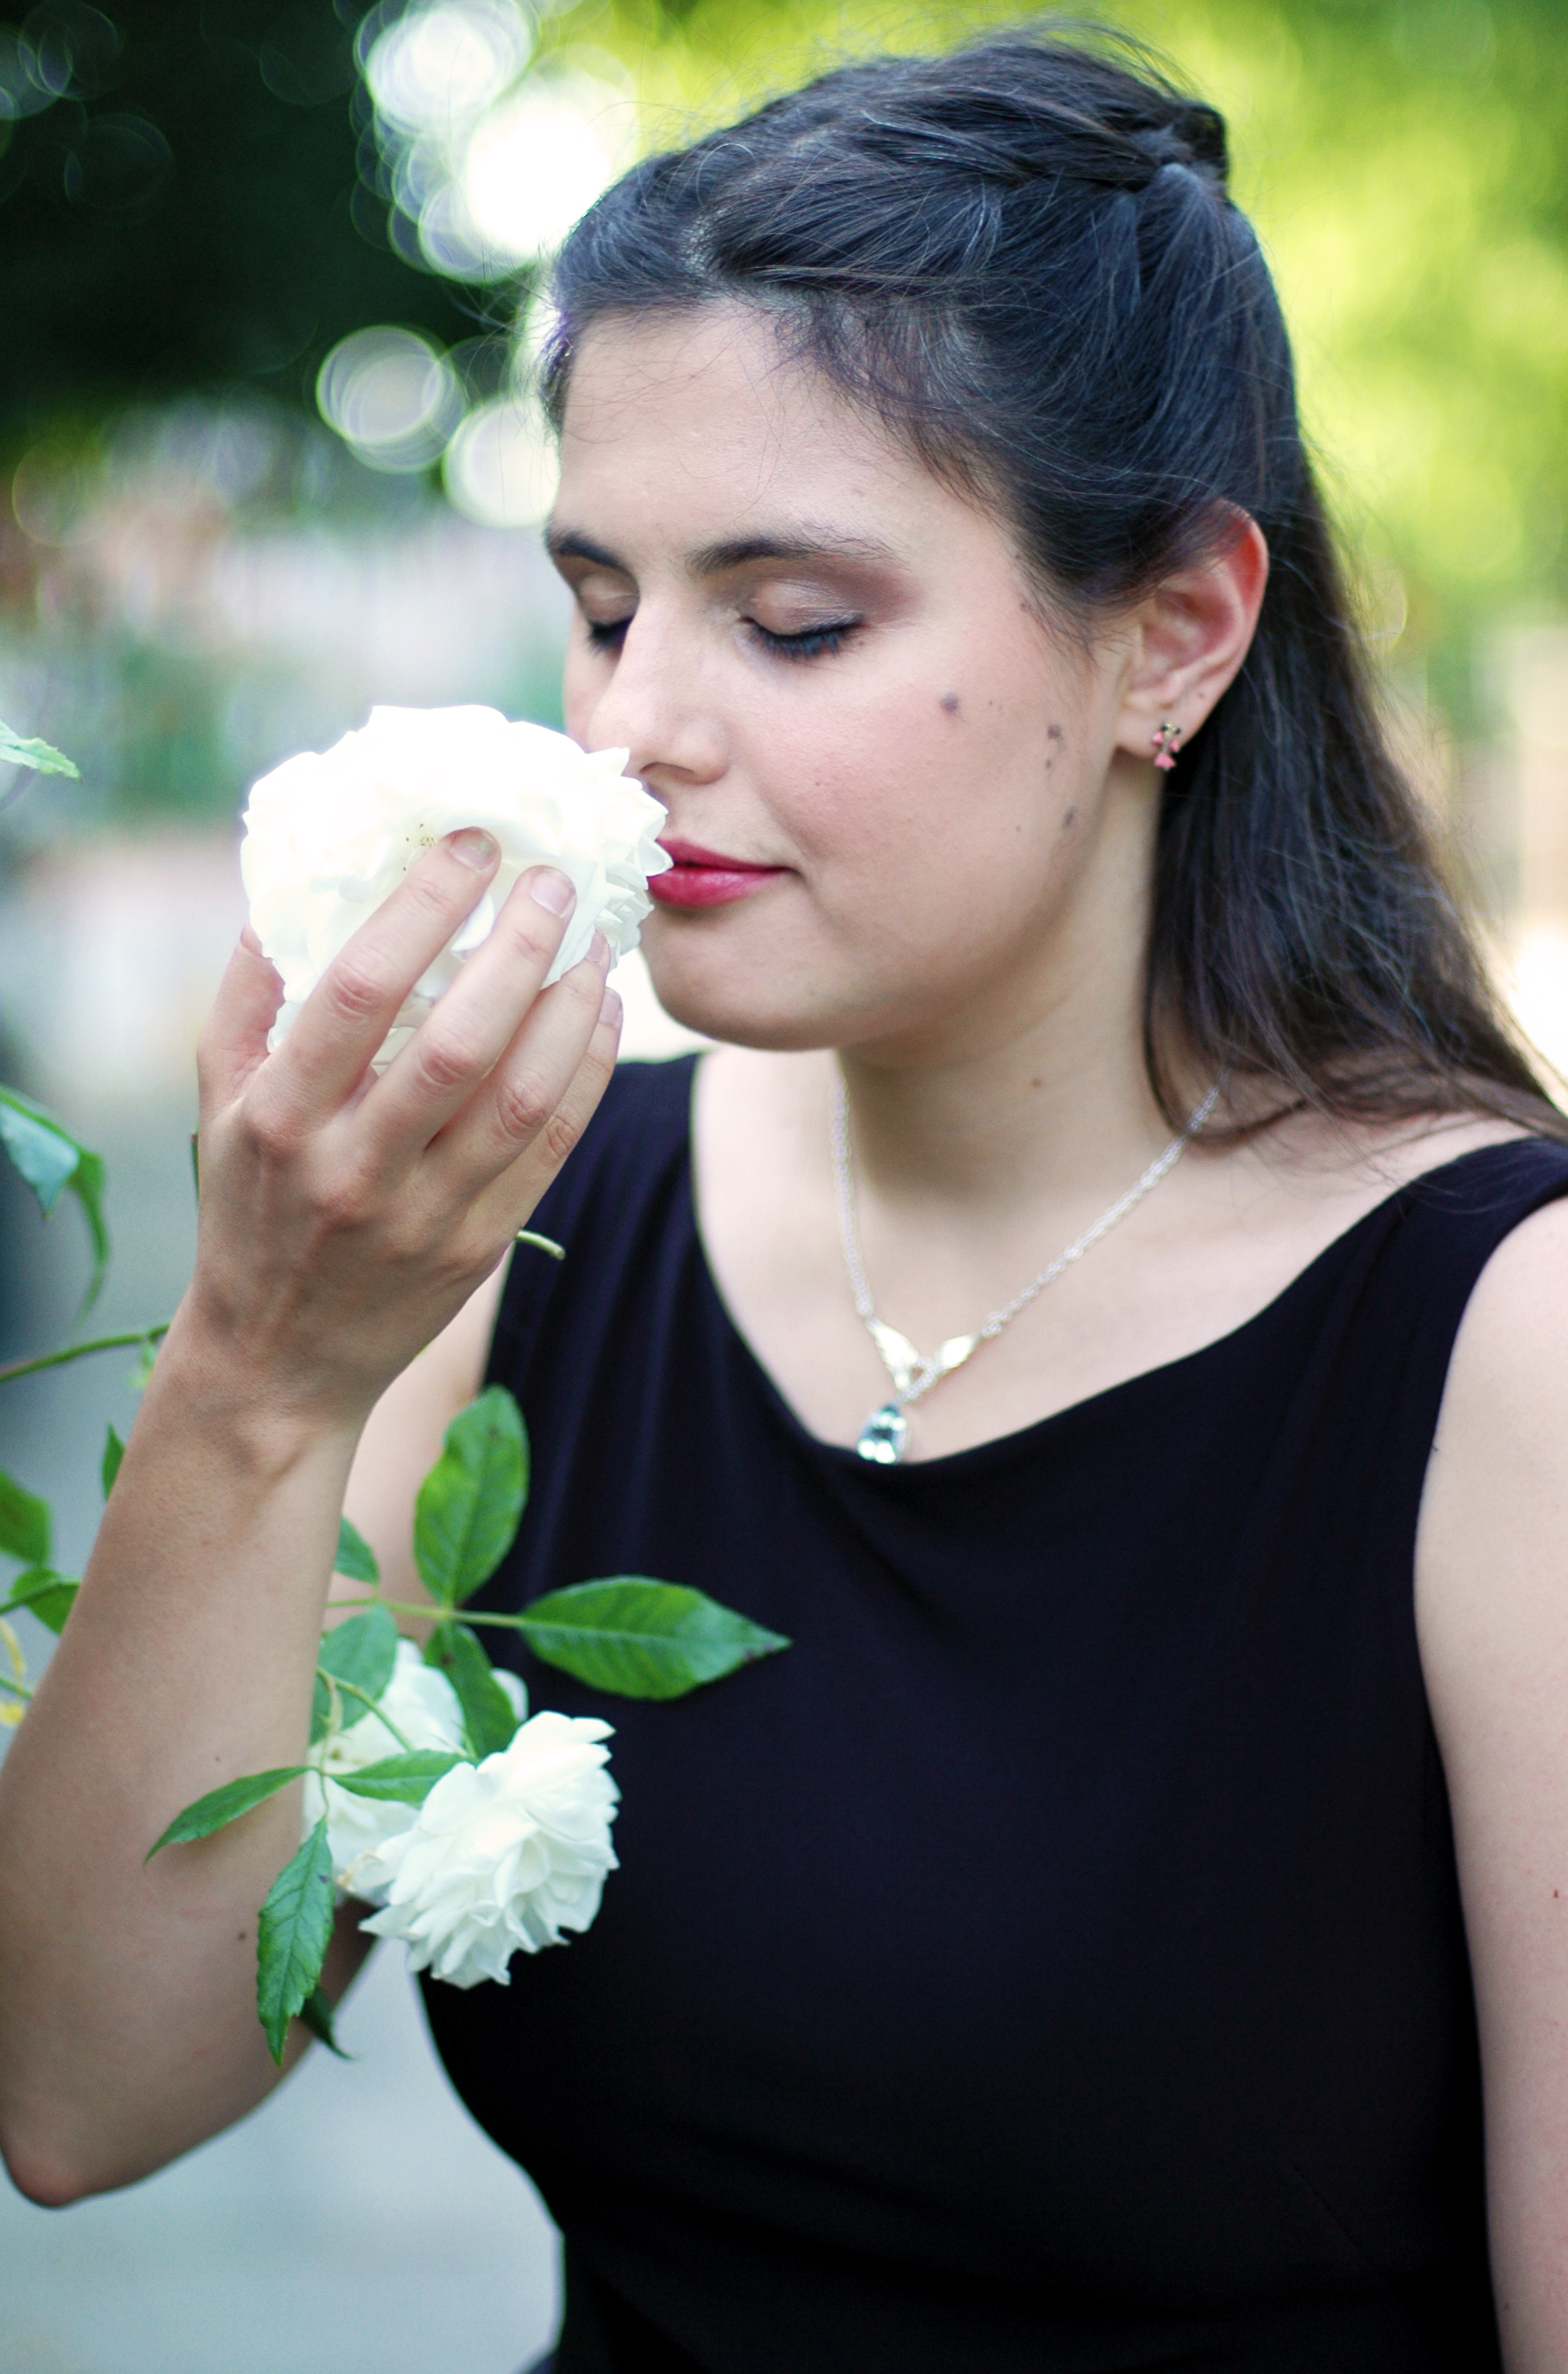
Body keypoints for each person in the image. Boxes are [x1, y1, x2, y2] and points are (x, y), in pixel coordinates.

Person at [3, 26, 1567, 2372]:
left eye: (795, 619)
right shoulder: (519, 1233)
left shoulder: (1501, 1344)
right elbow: (80, 2093)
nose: (634, 727)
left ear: (1173, 635)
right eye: (602, 604)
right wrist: (256, 1367)